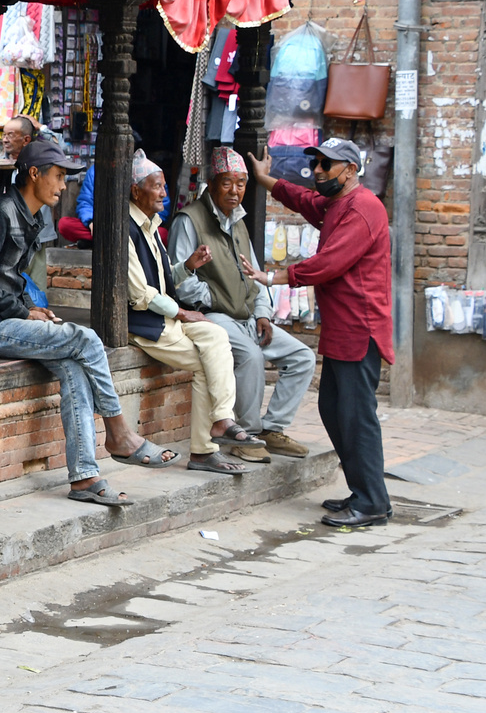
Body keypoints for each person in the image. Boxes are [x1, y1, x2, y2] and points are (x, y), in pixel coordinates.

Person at [0, 139, 181, 508]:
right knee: (87, 339)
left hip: (8, 318)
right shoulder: (0, 212)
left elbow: (12, 278)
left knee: (73, 367)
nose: (63, 186)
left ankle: (84, 477)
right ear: (34, 174)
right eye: (59, 176)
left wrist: (33, 308)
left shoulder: (32, 215)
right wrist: (22, 312)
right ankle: (118, 432)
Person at [246, 138, 393, 528]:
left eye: (327, 164)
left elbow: (331, 262)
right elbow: (304, 200)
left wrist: (275, 276)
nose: (319, 171)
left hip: (359, 329)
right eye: (318, 164)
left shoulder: (363, 209)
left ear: (350, 170)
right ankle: (364, 491)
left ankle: (372, 502)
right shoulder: (338, 205)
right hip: (343, 329)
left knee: (356, 416)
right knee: (334, 410)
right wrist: (266, 180)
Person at [169, 148, 315, 459]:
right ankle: (243, 436)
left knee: (302, 357)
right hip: (214, 316)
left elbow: (253, 273)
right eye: (227, 183)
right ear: (212, 183)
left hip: (247, 316)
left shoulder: (238, 220)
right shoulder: (190, 220)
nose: (235, 191)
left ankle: (271, 429)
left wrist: (262, 312)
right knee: (250, 356)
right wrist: (216, 298)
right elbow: (178, 278)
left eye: (241, 183)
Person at [126, 151, 264, 474]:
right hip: (146, 324)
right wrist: (182, 313)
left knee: (217, 336)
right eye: (156, 187)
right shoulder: (127, 230)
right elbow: (140, 293)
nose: (164, 193)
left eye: (163, 186)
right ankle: (204, 449)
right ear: (136, 191)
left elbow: (163, 280)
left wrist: (188, 267)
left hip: (167, 318)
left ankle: (222, 421)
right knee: (208, 361)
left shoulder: (151, 227)